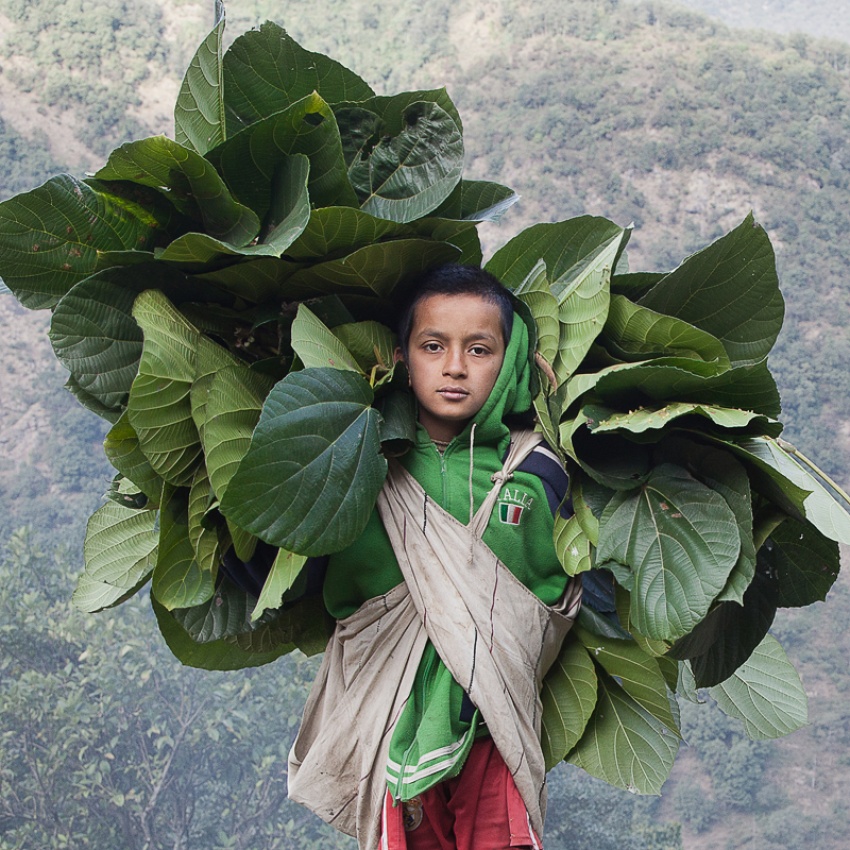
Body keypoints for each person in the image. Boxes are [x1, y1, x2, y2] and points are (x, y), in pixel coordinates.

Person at [227, 264, 582, 850]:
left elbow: (581, 585)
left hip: (495, 723)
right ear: (401, 358)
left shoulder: (542, 471)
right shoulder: (357, 460)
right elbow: (278, 571)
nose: (455, 366)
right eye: (433, 346)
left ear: (511, 359)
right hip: (388, 721)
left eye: (479, 350)